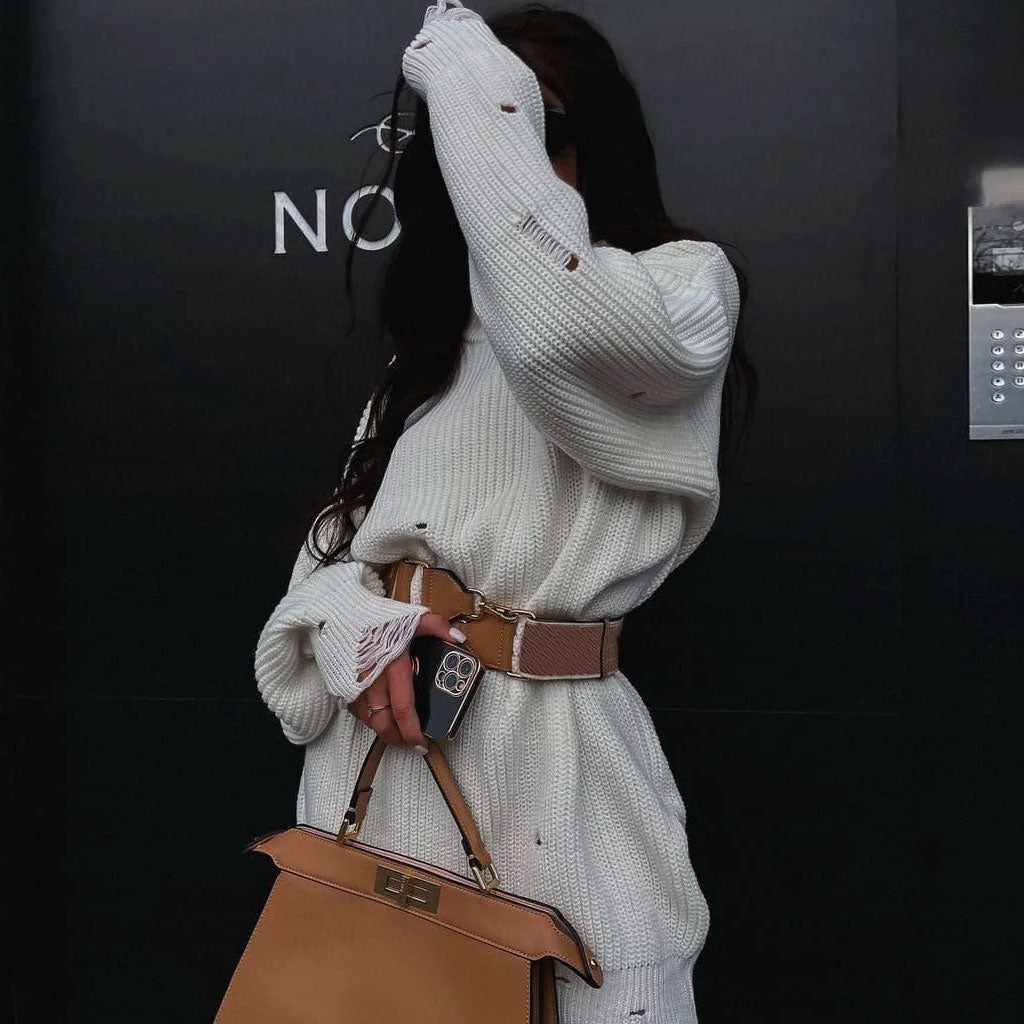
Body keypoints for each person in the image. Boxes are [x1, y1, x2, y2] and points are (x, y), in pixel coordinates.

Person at [254, 2, 756, 1021]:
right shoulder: (425, 360)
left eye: (539, 126)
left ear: (596, 140)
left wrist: (458, 54)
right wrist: (354, 625)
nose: (499, 149)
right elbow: (325, 568)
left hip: (563, 792)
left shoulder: (679, 290)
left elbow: (556, 327)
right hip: (376, 785)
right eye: (480, 130)